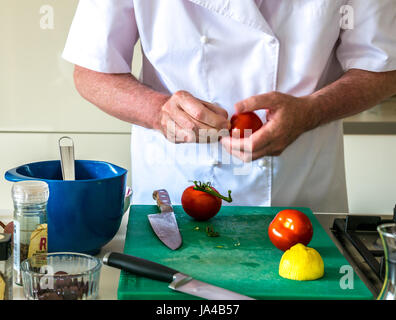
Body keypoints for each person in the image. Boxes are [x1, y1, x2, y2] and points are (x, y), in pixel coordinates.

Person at [63, 0, 396, 212]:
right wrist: (157, 111)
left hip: (300, 191)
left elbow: (382, 68)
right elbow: (91, 70)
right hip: (178, 189)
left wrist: (311, 111)